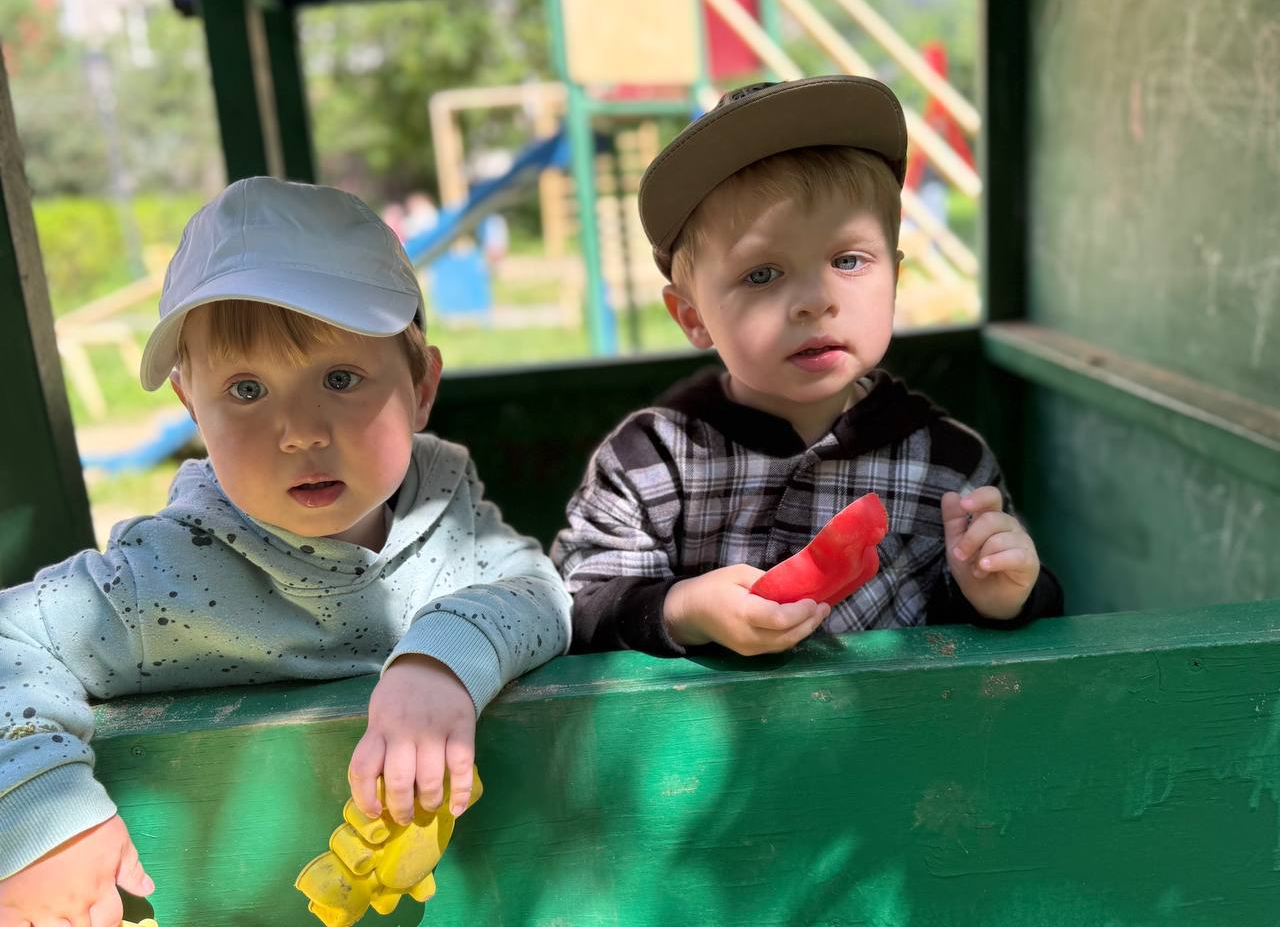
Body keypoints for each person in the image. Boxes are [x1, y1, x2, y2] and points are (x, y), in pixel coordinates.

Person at [0, 177, 571, 923]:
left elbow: (539, 588)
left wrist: (441, 659)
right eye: (246, 390)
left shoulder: (446, 517)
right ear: (191, 407)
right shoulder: (161, 578)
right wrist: (40, 817)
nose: (300, 430)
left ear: (422, 387)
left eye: (340, 378)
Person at [552, 76, 1062, 657]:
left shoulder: (949, 466)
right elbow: (574, 605)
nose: (815, 301)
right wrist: (683, 610)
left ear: (895, 278)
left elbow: (1005, 643)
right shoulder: (653, 461)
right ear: (693, 317)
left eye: (848, 260)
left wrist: (1001, 598)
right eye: (762, 274)